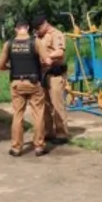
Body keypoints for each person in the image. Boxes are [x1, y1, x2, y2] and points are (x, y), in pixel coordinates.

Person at [0, 19, 49, 157]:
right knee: (38, 115)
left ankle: (16, 148)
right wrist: (41, 68)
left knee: (18, 115)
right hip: (33, 83)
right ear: (28, 28)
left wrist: (11, 68)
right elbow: (47, 61)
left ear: (16, 29)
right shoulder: (35, 42)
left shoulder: (9, 44)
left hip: (17, 84)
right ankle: (39, 146)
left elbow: (0, 66)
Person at [32, 14, 70, 145]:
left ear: (45, 24)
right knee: (45, 105)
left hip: (54, 74)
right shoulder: (38, 37)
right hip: (42, 75)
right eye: (35, 29)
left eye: (38, 28)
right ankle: (48, 132)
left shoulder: (57, 34)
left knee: (57, 103)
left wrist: (46, 57)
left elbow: (60, 52)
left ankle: (61, 133)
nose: (37, 31)